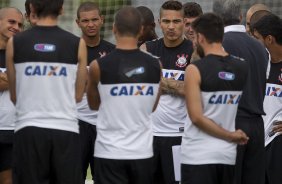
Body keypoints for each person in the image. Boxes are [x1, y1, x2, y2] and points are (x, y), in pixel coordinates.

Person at [5, 0, 87, 183]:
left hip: (29, 129)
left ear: (32, 8)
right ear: (61, 9)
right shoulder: (77, 43)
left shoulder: (15, 43)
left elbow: (14, 95)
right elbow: (79, 95)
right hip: (65, 130)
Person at [87, 6, 161, 184]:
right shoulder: (155, 64)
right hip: (142, 152)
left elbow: (93, 105)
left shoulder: (98, 65)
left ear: (113, 28)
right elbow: (152, 106)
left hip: (109, 151)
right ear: (141, 29)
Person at [181, 12, 249, 184]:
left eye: (195, 37)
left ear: (201, 37)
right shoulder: (242, 67)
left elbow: (196, 117)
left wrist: (230, 135)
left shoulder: (194, 69)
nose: (194, 42)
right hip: (226, 155)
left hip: (197, 155)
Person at [213, 1, 269, 184]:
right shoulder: (261, 48)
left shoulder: (217, 45)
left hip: (229, 124)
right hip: (256, 125)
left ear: (217, 19)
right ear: (240, 17)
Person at [140, 1, 193, 183]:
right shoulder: (147, 49)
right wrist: (177, 85)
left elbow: (191, 91)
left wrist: (158, 81)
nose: (171, 27)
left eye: (176, 21)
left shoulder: (194, 51)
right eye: (166, 21)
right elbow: (141, 88)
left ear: (185, 22)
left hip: (180, 135)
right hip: (149, 135)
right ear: (159, 22)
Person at [76, 2, 115, 183]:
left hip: (104, 124)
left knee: (105, 178)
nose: (90, 24)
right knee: (74, 177)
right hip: (77, 123)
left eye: (94, 19)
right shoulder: (70, 49)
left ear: (102, 20)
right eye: (85, 20)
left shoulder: (114, 51)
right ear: (78, 23)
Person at [252, 14, 282, 184]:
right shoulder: (262, 63)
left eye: (256, 38)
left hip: (277, 143)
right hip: (258, 142)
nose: (253, 42)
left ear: (269, 39)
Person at [0, 7, 23, 184]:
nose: (16, 27)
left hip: (12, 130)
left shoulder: (22, 56)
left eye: (20, 24)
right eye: (11, 22)